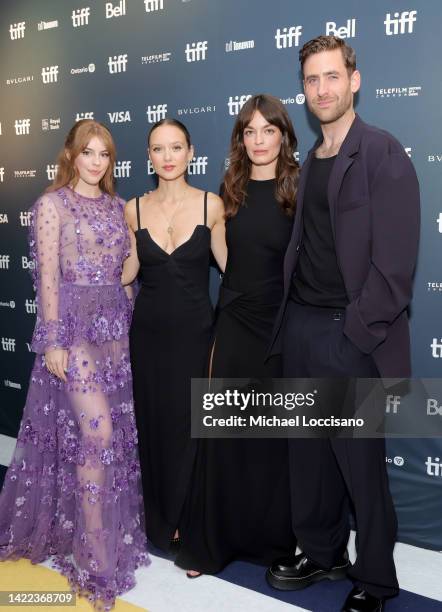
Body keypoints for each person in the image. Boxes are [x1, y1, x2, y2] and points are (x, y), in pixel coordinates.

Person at [266, 36, 420, 612]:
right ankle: (322, 550)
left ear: (354, 80)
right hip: (303, 327)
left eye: (332, 76)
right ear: (303, 90)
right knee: (307, 456)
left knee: (361, 465)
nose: (322, 89)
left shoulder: (382, 152)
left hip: (351, 337)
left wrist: (353, 334)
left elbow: (396, 270)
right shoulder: (311, 161)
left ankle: (376, 577)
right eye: (312, 80)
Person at [0, 120, 149, 609]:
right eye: (88, 152)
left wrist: (126, 303)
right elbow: (47, 278)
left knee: (105, 440)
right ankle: (93, 554)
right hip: (73, 332)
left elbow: (127, 269)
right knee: (99, 433)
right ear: (71, 154)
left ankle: (92, 536)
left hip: (112, 330)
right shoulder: (51, 205)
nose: (96, 162)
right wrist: (53, 341)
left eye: (104, 154)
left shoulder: (114, 207)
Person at [175, 94, 299, 576]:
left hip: (282, 324)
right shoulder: (231, 190)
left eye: (269, 130)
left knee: (273, 438)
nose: (259, 140)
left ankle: (273, 541)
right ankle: (212, 541)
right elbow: (225, 259)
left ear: (284, 136)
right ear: (240, 140)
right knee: (223, 432)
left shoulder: (299, 189)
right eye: (250, 131)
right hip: (235, 323)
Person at [122, 118, 226, 554]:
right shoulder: (133, 209)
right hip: (146, 335)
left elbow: (233, 273)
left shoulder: (211, 206)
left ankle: (188, 516)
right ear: (148, 157)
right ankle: (159, 517)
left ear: (191, 152)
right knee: (155, 423)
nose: (167, 157)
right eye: (158, 149)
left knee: (190, 425)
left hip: (195, 335)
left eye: (176, 147)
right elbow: (126, 274)